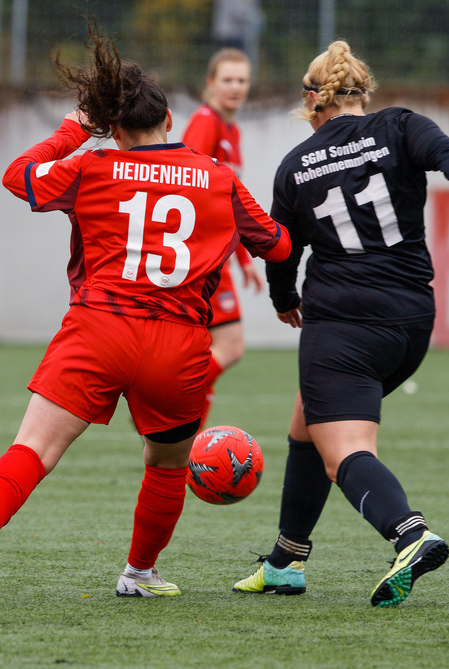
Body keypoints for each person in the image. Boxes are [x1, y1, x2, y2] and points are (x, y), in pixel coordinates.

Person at [0, 20, 290, 606]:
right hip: (179, 342)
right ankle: (138, 572)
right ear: (170, 121)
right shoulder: (218, 178)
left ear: (112, 126)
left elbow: (18, 178)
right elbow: (278, 245)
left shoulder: (92, 167)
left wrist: (73, 131)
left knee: (33, 447)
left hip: (98, 328)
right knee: (166, 464)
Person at [231, 41, 449, 607]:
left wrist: (285, 299)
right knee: (309, 419)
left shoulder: (295, 165)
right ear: (364, 93)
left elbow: (282, 249)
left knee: (345, 449)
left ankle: (410, 534)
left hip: (343, 323)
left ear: (312, 99)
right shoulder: (401, 125)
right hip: (410, 322)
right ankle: (285, 561)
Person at [182, 48, 264, 429]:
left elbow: (233, 201)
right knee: (229, 348)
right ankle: (174, 403)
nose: (235, 87)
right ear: (210, 83)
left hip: (217, 255)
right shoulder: (205, 123)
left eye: (242, 80)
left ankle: (187, 440)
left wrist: (245, 259)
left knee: (218, 349)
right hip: (201, 253)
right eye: (227, 79)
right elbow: (186, 183)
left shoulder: (232, 129)